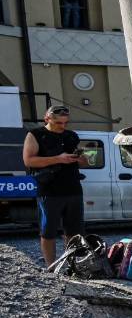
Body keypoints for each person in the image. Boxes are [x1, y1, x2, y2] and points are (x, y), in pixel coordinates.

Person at [23, 106, 87, 266]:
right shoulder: (36, 134)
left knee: (74, 231)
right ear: (47, 119)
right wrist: (58, 159)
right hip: (49, 190)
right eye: (58, 122)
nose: (62, 126)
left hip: (73, 188)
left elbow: (85, 162)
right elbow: (29, 161)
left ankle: (72, 265)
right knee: (48, 231)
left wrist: (80, 159)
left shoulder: (72, 136)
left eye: (65, 122)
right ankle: (51, 266)